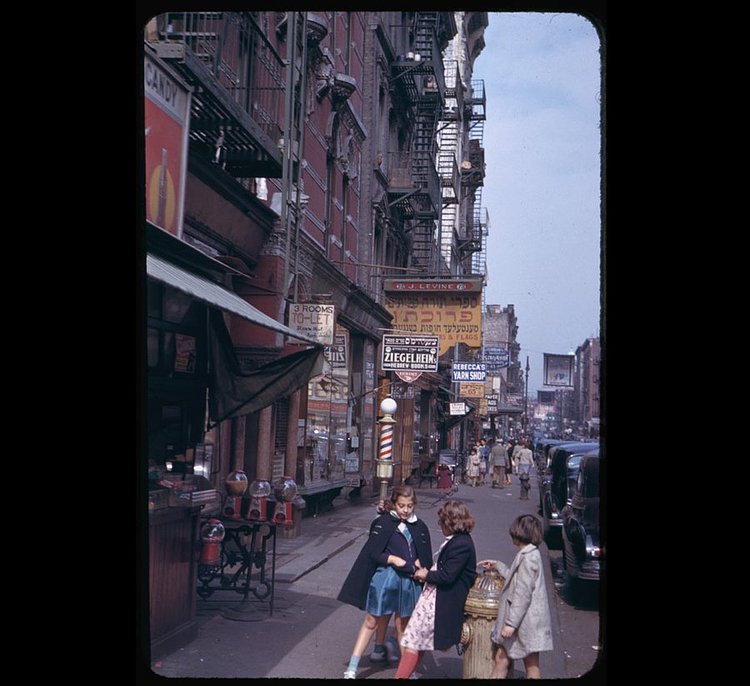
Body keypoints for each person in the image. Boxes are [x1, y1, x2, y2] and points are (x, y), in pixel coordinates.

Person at [337, 485, 433, 679]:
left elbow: (426, 556)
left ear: (414, 505)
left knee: (402, 626)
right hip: (385, 579)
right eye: (401, 505)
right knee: (372, 620)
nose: (405, 510)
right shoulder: (384, 522)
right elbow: (373, 552)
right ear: (394, 503)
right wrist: (393, 560)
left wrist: (419, 562)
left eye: (409, 506)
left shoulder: (420, 526)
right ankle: (353, 668)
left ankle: (407, 672)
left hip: (408, 582)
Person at [394, 499, 478, 679]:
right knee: (417, 643)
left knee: (414, 643)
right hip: (434, 600)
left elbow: (447, 576)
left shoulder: (460, 544)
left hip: (441, 603)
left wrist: (425, 574)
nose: (440, 526)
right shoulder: (459, 541)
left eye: (441, 522)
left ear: (449, 523)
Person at [478, 514, 554, 679]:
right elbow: (516, 582)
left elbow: (522, 594)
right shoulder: (530, 554)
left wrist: (510, 624)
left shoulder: (528, 559)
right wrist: (498, 565)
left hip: (523, 622)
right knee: (527, 664)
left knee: (508, 661)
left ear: (519, 534)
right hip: (529, 622)